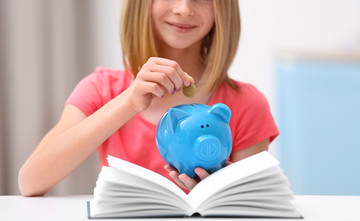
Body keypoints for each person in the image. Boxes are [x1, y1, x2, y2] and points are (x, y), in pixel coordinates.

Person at [18, 0, 279, 197]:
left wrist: (221, 188)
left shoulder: (245, 103)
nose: (184, 9)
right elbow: (30, 181)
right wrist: (128, 102)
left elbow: (252, 211)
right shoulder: (101, 89)